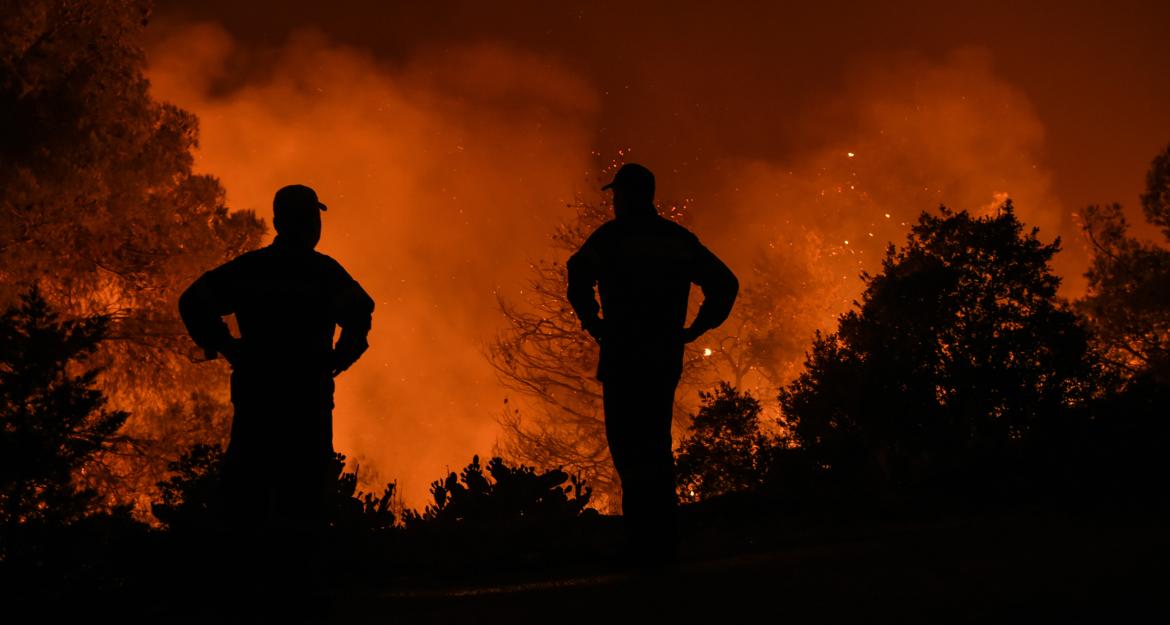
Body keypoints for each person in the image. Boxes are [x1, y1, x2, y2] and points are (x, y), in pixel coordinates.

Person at [567, 163, 738, 565]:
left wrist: (595, 323)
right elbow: (725, 283)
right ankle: (664, 542)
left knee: (628, 449)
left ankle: (642, 544)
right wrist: (695, 328)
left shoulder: (612, 238)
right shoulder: (675, 239)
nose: (613, 204)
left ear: (625, 196)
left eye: (616, 196)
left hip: (624, 355)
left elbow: (577, 272)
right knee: (656, 448)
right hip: (663, 357)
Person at [179, 184, 374, 531]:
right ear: (310, 223)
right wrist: (338, 360)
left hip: (258, 397)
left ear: (277, 221)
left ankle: (249, 576)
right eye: (313, 217)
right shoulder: (324, 273)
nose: (315, 225)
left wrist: (227, 346)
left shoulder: (251, 270)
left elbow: (193, 302)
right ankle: (296, 576)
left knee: (248, 496)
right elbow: (360, 314)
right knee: (303, 499)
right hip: (307, 399)